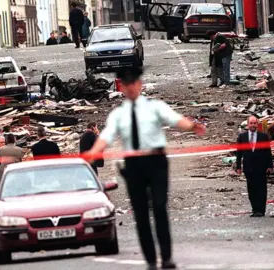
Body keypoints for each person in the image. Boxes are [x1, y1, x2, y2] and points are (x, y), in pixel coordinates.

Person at [86, 66, 205, 270]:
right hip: (133, 165)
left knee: (159, 207)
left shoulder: (154, 106)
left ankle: (166, 257)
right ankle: (151, 260)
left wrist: (192, 126)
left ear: (139, 85)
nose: (130, 88)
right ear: (121, 87)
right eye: (126, 84)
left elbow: (175, 119)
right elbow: (106, 136)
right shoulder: (118, 114)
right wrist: (92, 152)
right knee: (140, 214)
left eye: (134, 83)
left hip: (156, 162)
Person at [235, 116, 273, 217]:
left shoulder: (263, 136)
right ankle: (255, 209)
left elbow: (267, 152)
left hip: (261, 166)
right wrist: (238, 166)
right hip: (248, 167)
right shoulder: (242, 137)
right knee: (251, 188)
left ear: (257, 124)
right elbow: (239, 153)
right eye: (251, 123)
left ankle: (261, 210)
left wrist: (270, 165)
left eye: (254, 123)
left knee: (261, 188)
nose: (253, 125)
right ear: (248, 125)